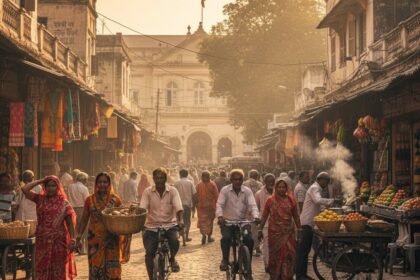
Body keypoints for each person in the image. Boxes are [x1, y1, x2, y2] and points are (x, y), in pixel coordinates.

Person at [21, 175, 77, 280]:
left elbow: (69, 223)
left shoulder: (64, 203)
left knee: (58, 269)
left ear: (58, 187)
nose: (50, 188)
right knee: (41, 267)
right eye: (48, 186)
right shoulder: (40, 199)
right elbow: (24, 189)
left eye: (53, 186)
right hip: (43, 241)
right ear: (45, 187)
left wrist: (73, 238)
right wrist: (41, 180)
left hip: (59, 242)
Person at [76, 172, 127, 279]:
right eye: (100, 182)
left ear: (109, 184)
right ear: (96, 184)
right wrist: (79, 236)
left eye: (105, 182)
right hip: (94, 240)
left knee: (112, 268)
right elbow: (84, 219)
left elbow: (122, 218)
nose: (102, 184)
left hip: (112, 239)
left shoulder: (116, 199)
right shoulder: (89, 200)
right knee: (96, 267)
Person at [140, 168, 184, 279]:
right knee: (149, 253)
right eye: (157, 178)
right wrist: (140, 222)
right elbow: (143, 208)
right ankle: (151, 277)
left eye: (161, 178)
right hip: (151, 226)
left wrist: (181, 220)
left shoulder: (173, 191)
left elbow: (178, 207)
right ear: (153, 179)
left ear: (165, 178)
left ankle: (172, 258)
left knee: (174, 241)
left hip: (170, 224)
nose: (159, 180)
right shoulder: (147, 192)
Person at [216, 169, 260, 272]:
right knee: (226, 238)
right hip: (228, 222)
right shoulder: (225, 190)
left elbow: (252, 205)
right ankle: (225, 260)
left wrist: (256, 216)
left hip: (243, 223)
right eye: (235, 179)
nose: (237, 182)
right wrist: (220, 217)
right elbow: (219, 205)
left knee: (249, 240)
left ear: (242, 180)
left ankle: (246, 263)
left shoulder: (247, 191)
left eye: (240, 179)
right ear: (231, 180)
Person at [259, 178, 301, 280]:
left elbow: (296, 216)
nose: (281, 189)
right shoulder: (270, 200)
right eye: (279, 187)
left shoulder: (291, 200)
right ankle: (275, 275)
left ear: (287, 188)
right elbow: (264, 216)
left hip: (288, 233)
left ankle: (287, 276)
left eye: (283, 187)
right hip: (274, 234)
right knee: (275, 255)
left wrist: (299, 230)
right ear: (276, 188)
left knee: (288, 254)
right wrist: (260, 229)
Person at [296, 172, 335, 280]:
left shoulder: (316, 188)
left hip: (309, 223)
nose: (327, 184)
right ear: (321, 180)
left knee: (305, 250)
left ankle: (302, 274)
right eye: (326, 181)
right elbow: (318, 200)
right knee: (303, 250)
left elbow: (317, 205)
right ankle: (300, 275)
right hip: (306, 223)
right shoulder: (314, 188)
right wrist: (332, 201)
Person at [255, 173, 275, 272]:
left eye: (272, 181)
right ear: (265, 182)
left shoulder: (278, 191)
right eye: (269, 181)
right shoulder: (259, 194)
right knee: (266, 244)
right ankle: (267, 265)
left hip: (277, 223)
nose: (271, 183)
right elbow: (257, 208)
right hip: (265, 223)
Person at [67, 172, 90, 254]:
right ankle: (83, 249)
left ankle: (75, 248)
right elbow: (87, 201)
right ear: (84, 180)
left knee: (74, 230)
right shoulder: (84, 188)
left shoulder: (70, 187)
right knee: (84, 229)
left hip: (72, 209)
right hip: (82, 209)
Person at [243, 169, 264, 257]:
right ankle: (257, 248)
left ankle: (247, 247)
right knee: (255, 229)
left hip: (246, 210)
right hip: (256, 210)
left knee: (247, 229)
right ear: (257, 176)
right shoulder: (260, 185)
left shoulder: (244, 184)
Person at [196, 171, 219, 245]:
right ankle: (208, 237)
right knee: (209, 222)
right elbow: (216, 195)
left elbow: (196, 196)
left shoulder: (199, 184)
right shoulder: (212, 184)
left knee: (202, 222)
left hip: (202, 207)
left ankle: (204, 236)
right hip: (209, 206)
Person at [174, 169, 196, 242]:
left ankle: (180, 233)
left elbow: (173, 195)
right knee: (187, 221)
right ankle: (186, 236)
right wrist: (194, 206)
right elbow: (194, 194)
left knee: (179, 220)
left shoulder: (176, 183)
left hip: (178, 205)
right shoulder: (190, 183)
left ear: (180, 174)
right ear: (187, 175)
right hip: (188, 204)